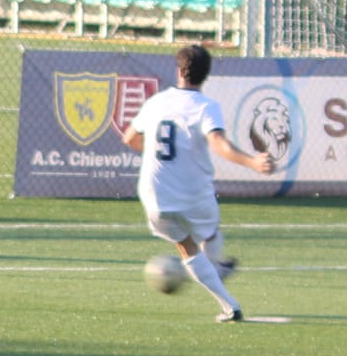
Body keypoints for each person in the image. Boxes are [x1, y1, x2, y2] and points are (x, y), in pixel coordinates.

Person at [119, 43, 278, 322]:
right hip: (193, 194)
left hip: (154, 193)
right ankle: (216, 274)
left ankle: (228, 303)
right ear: (206, 75)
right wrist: (252, 162)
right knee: (211, 235)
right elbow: (218, 143)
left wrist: (159, 150)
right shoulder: (206, 106)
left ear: (179, 70)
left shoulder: (157, 101)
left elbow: (130, 138)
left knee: (186, 246)